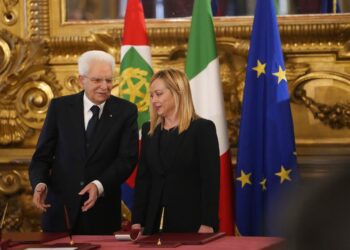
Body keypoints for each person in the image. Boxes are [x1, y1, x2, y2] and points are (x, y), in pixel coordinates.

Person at [29, 50, 139, 235]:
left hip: (101, 213)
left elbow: (127, 159)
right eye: (97, 80)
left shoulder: (126, 111)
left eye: (109, 80)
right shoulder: (60, 108)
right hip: (59, 212)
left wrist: (99, 185)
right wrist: (40, 184)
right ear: (82, 80)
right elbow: (42, 157)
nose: (105, 86)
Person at [131, 68, 220, 235]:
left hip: (192, 222)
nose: (153, 100)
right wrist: (137, 221)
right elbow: (143, 180)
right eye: (151, 95)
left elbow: (210, 181)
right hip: (153, 223)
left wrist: (208, 222)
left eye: (158, 94)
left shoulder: (202, 129)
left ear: (178, 92)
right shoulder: (149, 130)